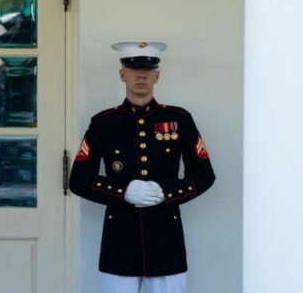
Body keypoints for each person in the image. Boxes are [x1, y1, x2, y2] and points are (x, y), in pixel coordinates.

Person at [69, 41, 216, 293]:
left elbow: (204, 174)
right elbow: (79, 179)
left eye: (147, 70)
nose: (141, 75)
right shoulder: (104, 123)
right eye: (133, 69)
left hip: (166, 240)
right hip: (119, 242)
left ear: (157, 76)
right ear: (121, 74)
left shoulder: (178, 120)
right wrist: (123, 191)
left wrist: (166, 192)